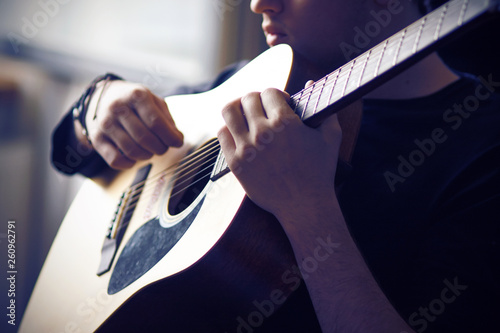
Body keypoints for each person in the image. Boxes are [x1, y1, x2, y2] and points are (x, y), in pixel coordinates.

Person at [51, 0, 500, 332]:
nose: (259, 4)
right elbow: (71, 154)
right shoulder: (256, 80)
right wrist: (95, 108)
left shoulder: (483, 150)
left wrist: (307, 209)